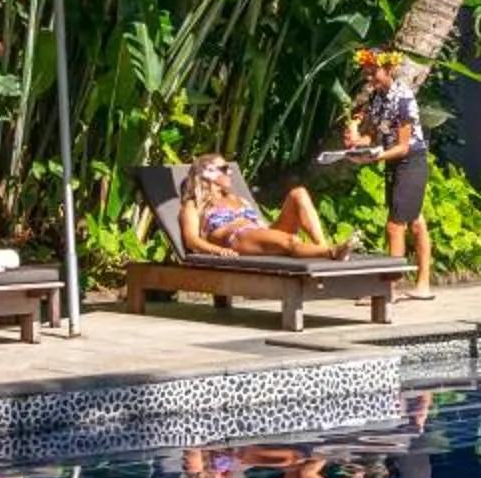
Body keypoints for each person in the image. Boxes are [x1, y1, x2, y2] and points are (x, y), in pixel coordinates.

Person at [344, 47, 434, 299]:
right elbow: (373, 134)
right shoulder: (377, 98)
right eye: (366, 72)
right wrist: (356, 142)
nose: (368, 76)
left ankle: (389, 289)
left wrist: (374, 156)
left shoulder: (403, 98)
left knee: (395, 225)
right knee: (415, 220)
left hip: (411, 161)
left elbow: (403, 146)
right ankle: (423, 285)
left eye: (373, 71)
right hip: (394, 162)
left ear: (389, 69)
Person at [178, 153, 352, 259]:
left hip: (259, 233)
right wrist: (218, 250)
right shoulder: (194, 205)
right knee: (290, 241)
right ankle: (331, 253)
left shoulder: (234, 198)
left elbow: (260, 225)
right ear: (209, 174)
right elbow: (191, 240)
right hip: (238, 238)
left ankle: (322, 246)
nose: (229, 171)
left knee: (298, 193)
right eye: (224, 169)